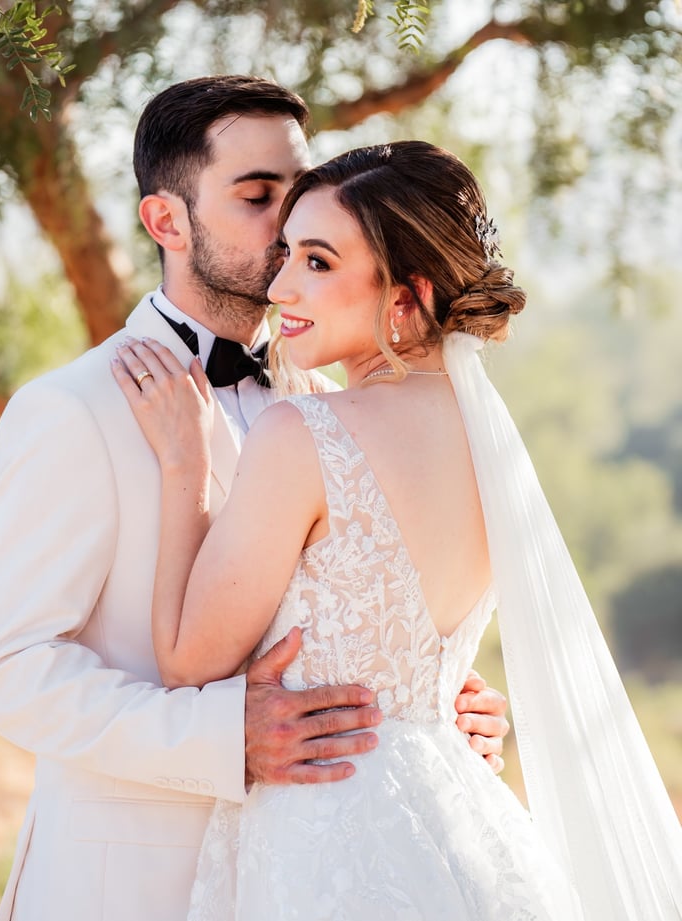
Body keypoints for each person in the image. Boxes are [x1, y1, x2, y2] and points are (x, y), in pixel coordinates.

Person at [0, 78, 509, 921]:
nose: (288, 224)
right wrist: (223, 739)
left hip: (316, 874)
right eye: (258, 197)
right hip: (127, 886)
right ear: (166, 222)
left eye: (299, 195)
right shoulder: (70, 409)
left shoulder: (339, 406)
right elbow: (7, 671)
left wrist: (428, 709)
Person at [114, 140, 682, 919]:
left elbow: (186, 662)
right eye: (286, 254)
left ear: (405, 298)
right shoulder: (491, 446)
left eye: (316, 262)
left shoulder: (303, 432)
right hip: (461, 817)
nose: (279, 285)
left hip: (325, 835)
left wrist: (184, 463)